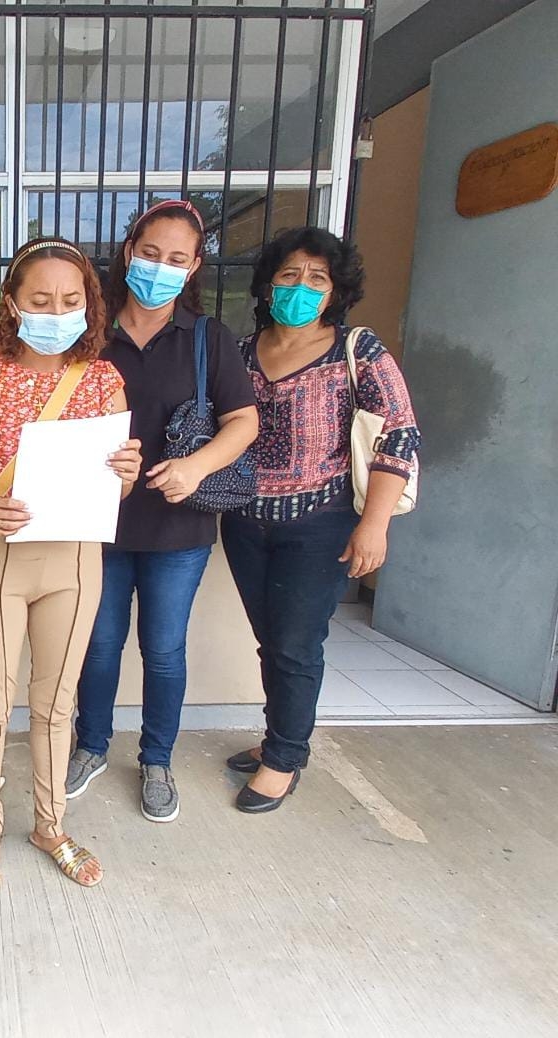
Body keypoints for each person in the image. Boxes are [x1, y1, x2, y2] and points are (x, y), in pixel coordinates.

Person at [0, 237, 143, 904]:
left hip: (74, 559)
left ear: (89, 304)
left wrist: (127, 477)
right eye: (41, 299)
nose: (57, 311)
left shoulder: (102, 379)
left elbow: (114, 486)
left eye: (71, 300)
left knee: (55, 705)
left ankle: (51, 827)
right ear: (12, 304)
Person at [66, 200, 258, 822]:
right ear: (129, 253)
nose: (160, 267)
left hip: (180, 527)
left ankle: (156, 759)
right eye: (151, 254)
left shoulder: (209, 339)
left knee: (164, 647)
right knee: (97, 644)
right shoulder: (89, 336)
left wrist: (197, 466)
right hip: (98, 521)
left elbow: (244, 421)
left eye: (177, 259)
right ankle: (90, 746)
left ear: (194, 266)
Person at [221, 227, 421, 812]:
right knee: (270, 640)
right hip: (246, 522)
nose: (301, 287)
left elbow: (398, 436)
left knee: (296, 643)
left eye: (316, 278)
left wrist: (374, 523)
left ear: (335, 290)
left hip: (320, 523)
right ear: (267, 285)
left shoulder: (358, 351)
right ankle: (276, 739)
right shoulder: (240, 352)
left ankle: (285, 759)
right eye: (289, 275)